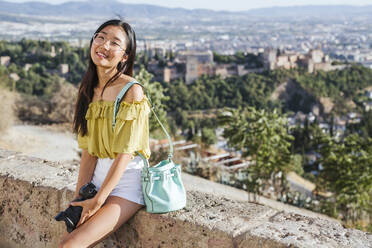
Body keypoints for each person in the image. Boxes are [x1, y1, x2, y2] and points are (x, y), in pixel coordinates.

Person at [58, 19, 151, 247]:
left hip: (126, 184)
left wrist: (98, 201)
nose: (104, 45)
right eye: (100, 37)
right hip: (97, 180)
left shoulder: (132, 91)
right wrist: (79, 198)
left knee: (69, 246)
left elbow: (125, 154)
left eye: (114, 42)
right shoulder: (89, 89)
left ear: (125, 56)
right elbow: (89, 152)